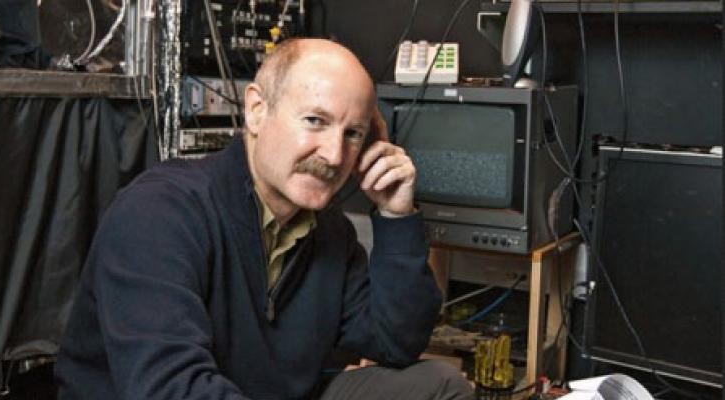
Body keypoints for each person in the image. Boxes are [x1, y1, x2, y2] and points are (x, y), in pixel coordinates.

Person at [55, 38, 473, 400]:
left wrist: (396, 216)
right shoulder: (158, 214)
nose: (333, 155)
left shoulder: (330, 232)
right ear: (256, 110)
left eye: (353, 134)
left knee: (438, 385)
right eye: (315, 121)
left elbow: (397, 343)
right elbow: (169, 388)